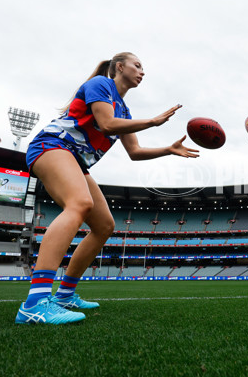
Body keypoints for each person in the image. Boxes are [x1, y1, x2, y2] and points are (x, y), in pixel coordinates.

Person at [15, 52, 199, 325]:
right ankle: (35, 303)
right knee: (79, 203)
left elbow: (134, 152)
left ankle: (65, 295)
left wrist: (168, 150)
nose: (142, 72)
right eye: (138, 66)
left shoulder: (124, 110)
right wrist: (153, 121)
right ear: (120, 67)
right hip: (53, 146)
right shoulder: (101, 84)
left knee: (104, 226)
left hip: (74, 159)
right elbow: (106, 124)